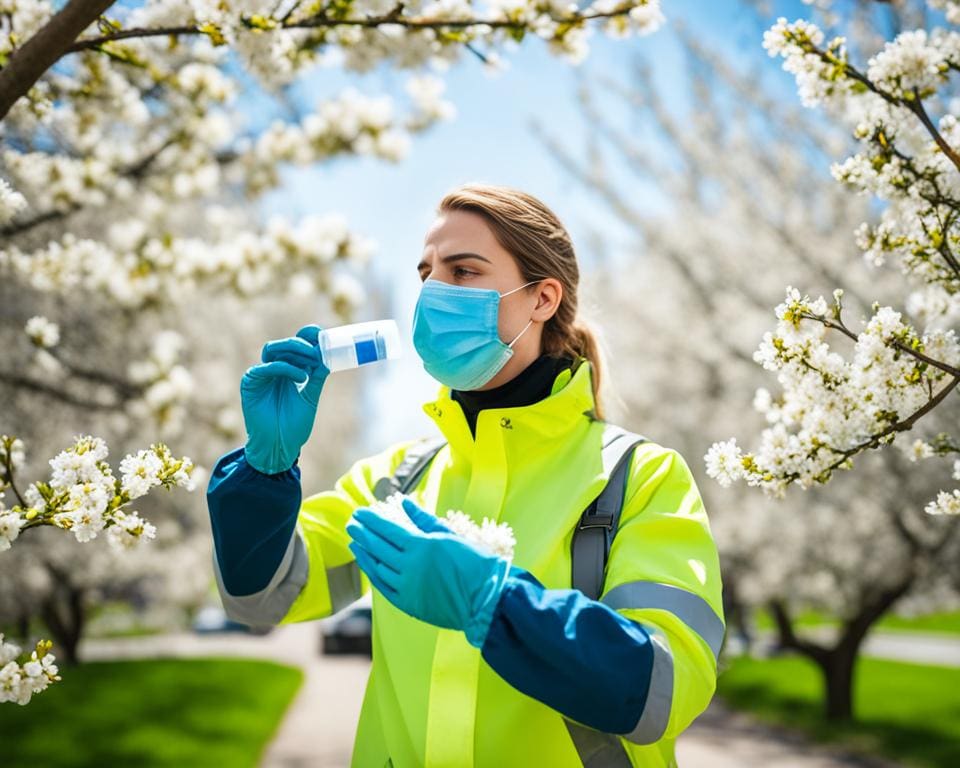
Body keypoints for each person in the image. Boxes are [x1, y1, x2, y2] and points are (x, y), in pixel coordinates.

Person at [206, 182, 725, 768]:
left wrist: (492, 600)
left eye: (463, 271)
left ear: (542, 298)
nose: (432, 291)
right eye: (426, 272)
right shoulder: (395, 482)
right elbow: (261, 600)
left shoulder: (637, 477)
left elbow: (665, 686)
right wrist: (264, 471)